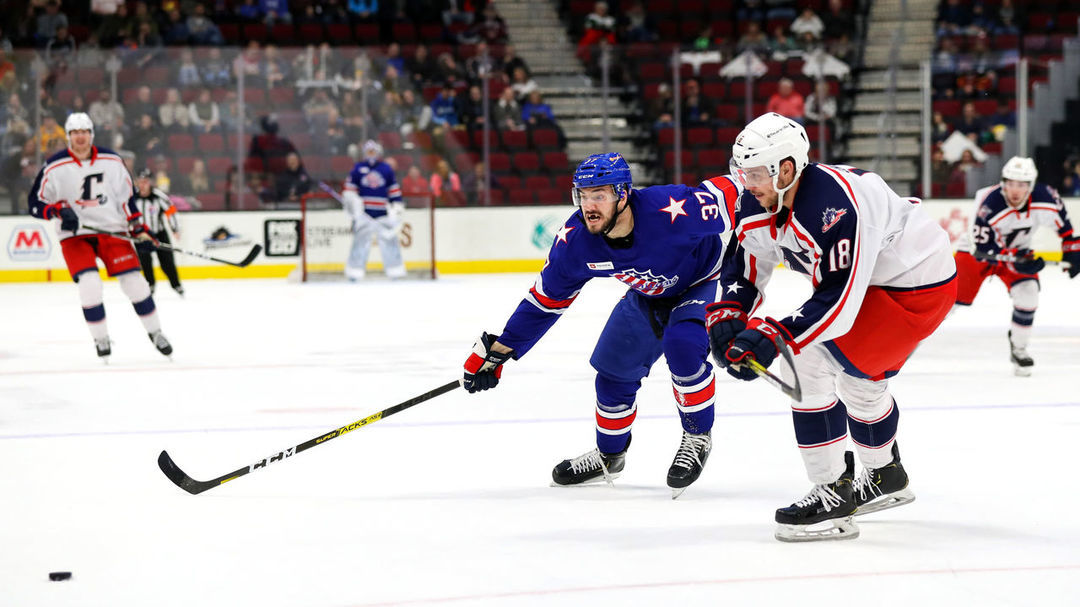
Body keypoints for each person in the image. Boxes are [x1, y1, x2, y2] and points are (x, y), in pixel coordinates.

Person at [709, 113, 957, 541]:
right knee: (860, 381)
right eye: (741, 172)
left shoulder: (836, 207)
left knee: (805, 359)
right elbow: (746, 262)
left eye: (754, 173)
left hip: (914, 283)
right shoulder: (761, 196)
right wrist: (729, 313)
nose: (746, 183)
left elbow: (838, 303)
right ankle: (886, 476)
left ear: (786, 168)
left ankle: (832, 494)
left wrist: (774, 335)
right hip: (883, 281)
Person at [461, 153, 740, 498]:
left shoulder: (670, 209)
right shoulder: (576, 242)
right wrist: (500, 350)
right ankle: (610, 456)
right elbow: (545, 301)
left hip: (701, 281)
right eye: (583, 194)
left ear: (623, 195)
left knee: (682, 346)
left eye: (600, 195)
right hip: (648, 293)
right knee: (612, 372)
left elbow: (731, 192)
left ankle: (697, 435)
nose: (589, 205)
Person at [27, 112, 172, 360]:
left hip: (112, 229)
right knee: (89, 283)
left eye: (84, 132)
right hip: (74, 235)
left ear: (91, 134)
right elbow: (34, 204)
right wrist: (56, 211)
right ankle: (100, 338)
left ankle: (156, 332)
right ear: (68, 136)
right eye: (74, 133)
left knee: (134, 282)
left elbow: (127, 198)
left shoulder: (111, 160)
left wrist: (138, 228)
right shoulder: (54, 166)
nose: (80, 137)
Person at [953, 156, 1079, 375]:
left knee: (1029, 294)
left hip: (1017, 254)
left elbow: (1067, 232)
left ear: (1031, 186)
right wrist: (1019, 261)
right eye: (1010, 183)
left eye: (1021, 185)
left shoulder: (1047, 198)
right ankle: (909, 343)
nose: (1015, 190)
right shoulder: (989, 203)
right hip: (976, 253)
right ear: (1003, 182)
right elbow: (983, 248)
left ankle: (1019, 350)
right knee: (948, 301)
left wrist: (1073, 253)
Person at [342, 140, 405, 280]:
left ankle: (395, 271)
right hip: (364, 214)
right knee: (359, 243)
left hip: (382, 213)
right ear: (364, 153)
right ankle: (354, 272)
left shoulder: (386, 169)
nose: (371, 153)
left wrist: (397, 207)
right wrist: (353, 205)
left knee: (390, 242)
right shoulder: (357, 168)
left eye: (373, 151)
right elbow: (350, 191)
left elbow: (393, 190)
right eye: (368, 151)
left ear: (378, 152)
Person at [131, 168, 183, 297]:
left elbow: (171, 212)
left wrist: (175, 229)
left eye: (145, 182)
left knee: (167, 262)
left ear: (151, 183)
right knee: (145, 262)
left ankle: (176, 284)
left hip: (159, 233)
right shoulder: (132, 197)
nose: (142, 185)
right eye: (140, 182)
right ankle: (150, 284)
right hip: (141, 236)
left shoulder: (159, 197)